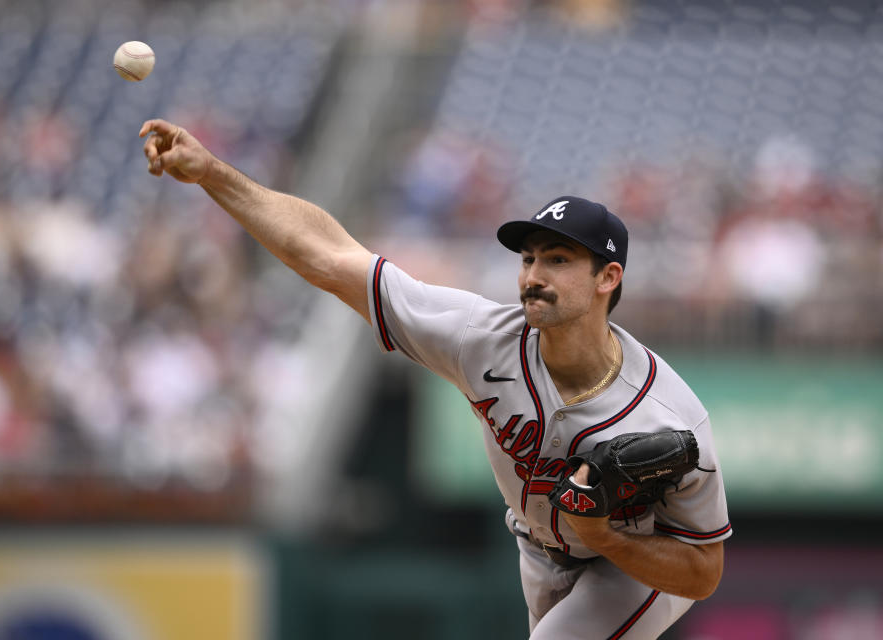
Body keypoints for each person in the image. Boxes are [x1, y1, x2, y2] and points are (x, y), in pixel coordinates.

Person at [139, 119, 732, 639]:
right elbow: (328, 255)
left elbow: (704, 574)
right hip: (535, 548)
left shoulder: (670, 417)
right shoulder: (480, 336)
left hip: (633, 563)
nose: (532, 275)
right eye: (527, 258)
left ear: (608, 278)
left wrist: (608, 538)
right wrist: (213, 172)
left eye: (557, 259)